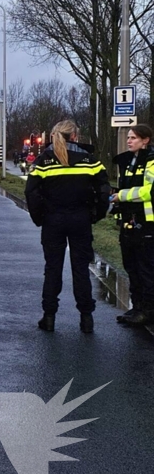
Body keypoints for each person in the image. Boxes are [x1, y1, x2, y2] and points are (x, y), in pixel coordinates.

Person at [25, 120, 110, 333]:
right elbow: (103, 190)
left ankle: (49, 317)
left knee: (52, 268)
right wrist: (95, 215)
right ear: (75, 136)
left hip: (53, 220)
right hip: (80, 219)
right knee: (81, 269)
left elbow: (31, 192)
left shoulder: (44, 161)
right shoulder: (89, 160)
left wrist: (39, 218)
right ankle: (86, 318)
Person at [110, 124, 154, 326]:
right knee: (131, 267)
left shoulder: (151, 161)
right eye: (128, 137)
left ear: (145, 140)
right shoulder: (129, 162)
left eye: (133, 138)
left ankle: (148, 311)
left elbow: (148, 191)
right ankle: (137, 307)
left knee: (146, 269)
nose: (129, 141)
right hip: (129, 222)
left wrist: (122, 196)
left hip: (147, 224)